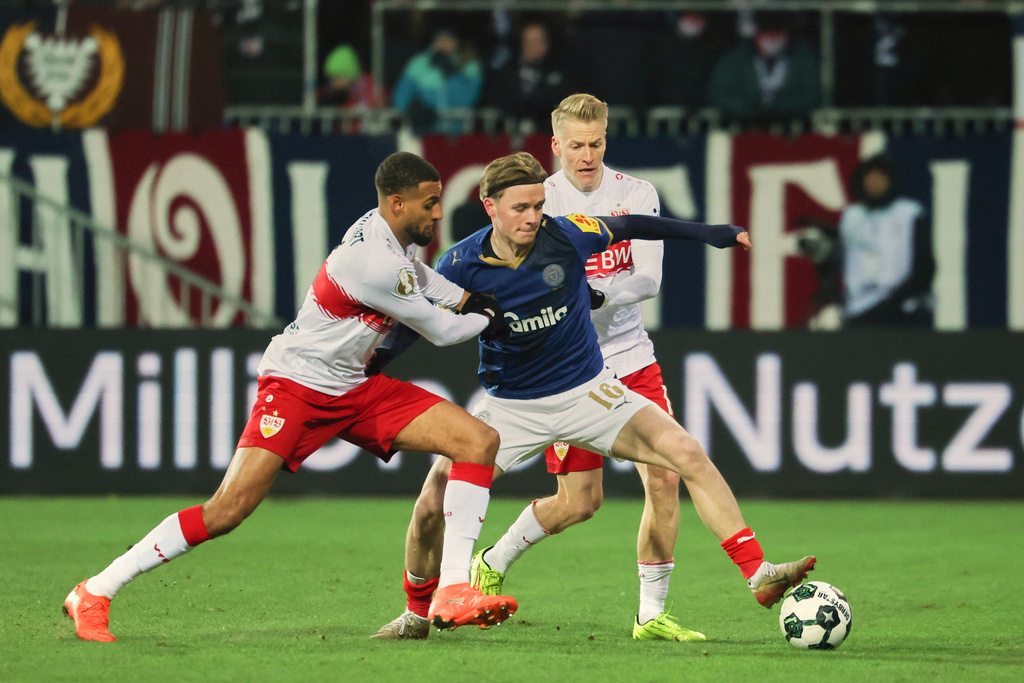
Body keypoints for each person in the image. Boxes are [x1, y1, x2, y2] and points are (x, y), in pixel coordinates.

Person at [62, 152, 518, 642]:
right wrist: (486, 318)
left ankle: (438, 599)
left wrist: (467, 298)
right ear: (398, 202)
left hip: (355, 386)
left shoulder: (387, 238)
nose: (437, 213)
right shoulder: (371, 262)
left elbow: (421, 277)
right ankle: (95, 590)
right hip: (297, 386)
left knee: (477, 442)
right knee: (227, 511)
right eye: (430, 204)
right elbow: (444, 332)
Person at [371, 151, 816, 641]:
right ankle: (417, 614)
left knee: (686, 453)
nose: (533, 217)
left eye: (538, 205)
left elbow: (632, 224)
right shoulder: (459, 262)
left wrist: (710, 233)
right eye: (520, 207)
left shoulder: (567, 234)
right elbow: (417, 323)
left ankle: (756, 572)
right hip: (512, 406)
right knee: (431, 502)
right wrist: (374, 365)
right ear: (489, 206)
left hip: (589, 392)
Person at [468, 92, 703, 643]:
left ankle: (652, 614)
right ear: (555, 146)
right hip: (567, 365)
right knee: (580, 502)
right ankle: (492, 559)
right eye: (575, 145)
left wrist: (600, 295)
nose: (587, 154)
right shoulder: (537, 202)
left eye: (596, 143)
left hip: (630, 357)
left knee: (666, 478)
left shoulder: (636, 194)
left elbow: (649, 278)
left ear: (606, 139)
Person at [839, 154, 935, 328]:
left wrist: (894, 301)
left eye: (881, 178)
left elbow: (924, 264)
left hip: (901, 310)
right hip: (858, 309)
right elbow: (841, 259)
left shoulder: (909, 214)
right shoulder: (852, 217)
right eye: (870, 177)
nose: (875, 183)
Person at [707, 13, 822, 126]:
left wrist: (781, 107)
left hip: (792, 127)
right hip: (742, 126)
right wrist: (749, 109)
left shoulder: (802, 59)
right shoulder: (735, 59)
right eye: (767, 35)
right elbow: (719, 93)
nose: (772, 41)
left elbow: (813, 93)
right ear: (757, 35)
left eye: (776, 35)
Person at [391, 28, 483, 136]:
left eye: (447, 40)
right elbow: (401, 96)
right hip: (425, 131)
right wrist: (406, 111)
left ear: (456, 42)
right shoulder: (419, 63)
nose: (442, 44)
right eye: (439, 40)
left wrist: (450, 73)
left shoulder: (467, 63)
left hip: (457, 134)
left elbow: (466, 99)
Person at [481, 21, 568, 134]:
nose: (532, 46)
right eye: (528, 42)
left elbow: (556, 102)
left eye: (537, 41)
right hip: (507, 136)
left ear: (547, 43)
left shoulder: (558, 72)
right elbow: (496, 99)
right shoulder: (507, 71)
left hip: (544, 136)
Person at [319, 44, 386, 110]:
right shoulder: (338, 93)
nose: (333, 83)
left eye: (336, 78)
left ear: (348, 75)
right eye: (331, 79)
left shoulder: (371, 88)